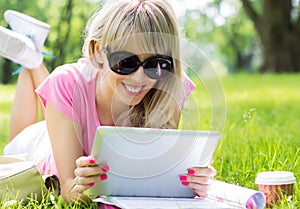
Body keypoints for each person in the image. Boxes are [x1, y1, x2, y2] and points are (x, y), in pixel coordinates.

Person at [1, 0, 216, 205]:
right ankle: (31, 58)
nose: (140, 78)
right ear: (97, 51)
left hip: (69, 115)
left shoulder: (169, 86)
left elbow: (155, 174)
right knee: (15, 142)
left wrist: (193, 180)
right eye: (125, 62)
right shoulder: (65, 82)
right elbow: (68, 190)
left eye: (156, 64)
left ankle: (32, 52)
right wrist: (80, 186)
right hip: (40, 144)